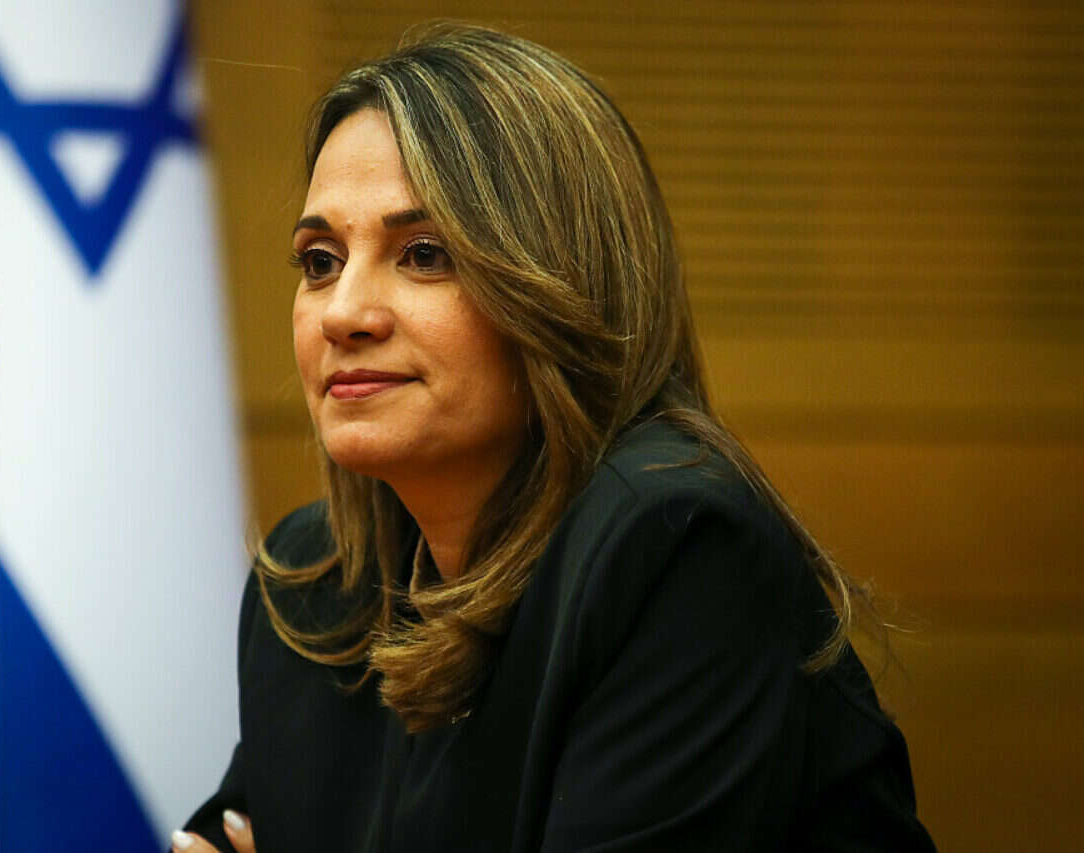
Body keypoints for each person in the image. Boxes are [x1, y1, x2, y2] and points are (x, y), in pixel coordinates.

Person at [172, 23, 935, 853]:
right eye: (319, 261)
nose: (344, 312)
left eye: (423, 254)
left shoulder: (674, 549)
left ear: (561, 285)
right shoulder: (315, 583)